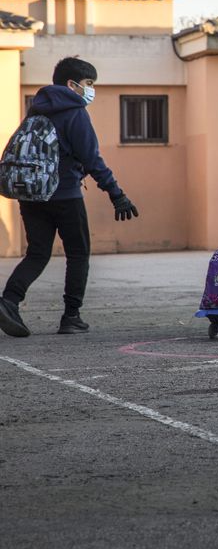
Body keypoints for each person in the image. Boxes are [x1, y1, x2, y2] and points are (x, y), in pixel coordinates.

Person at [0, 57, 139, 338]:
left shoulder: (36, 110)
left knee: (37, 253)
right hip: (65, 194)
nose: (91, 90)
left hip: (33, 195)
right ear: (72, 84)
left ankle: (9, 302)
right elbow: (92, 159)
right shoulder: (75, 113)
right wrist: (117, 194)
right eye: (88, 84)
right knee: (78, 254)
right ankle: (71, 316)